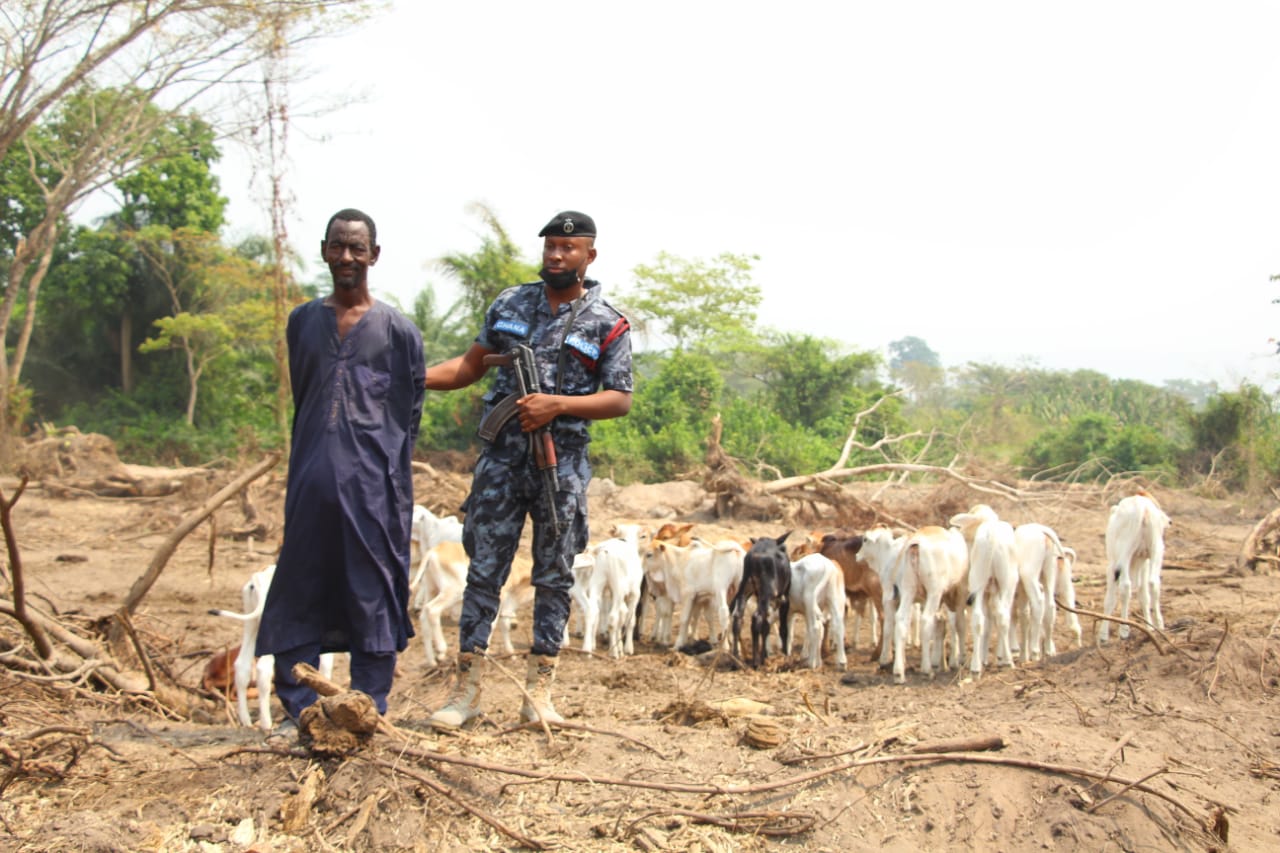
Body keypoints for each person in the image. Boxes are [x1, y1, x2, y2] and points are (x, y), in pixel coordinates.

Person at [425, 210, 632, 729]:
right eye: (550, 248)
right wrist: (409, 376)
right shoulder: (510, 303)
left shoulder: (608, 323)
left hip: (560, 467)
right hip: (500, 461)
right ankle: (465, 693)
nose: (556, 256)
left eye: (568, 248)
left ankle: (539, 694)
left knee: (555, 574)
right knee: (483, 571)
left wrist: (556, 405)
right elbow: (469, 368)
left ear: (589, 255)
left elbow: (619, 399)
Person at [257, 208, 425, 729]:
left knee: (372, 586)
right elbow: (306, 393)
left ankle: (367, 708)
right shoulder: (302, 322)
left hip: (374, 489)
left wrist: (383, 475)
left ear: (374, 255)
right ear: (325, 250)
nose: (347, 257)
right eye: (338, 246)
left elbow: (407, 412)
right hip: (309, 482)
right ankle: (300, 711)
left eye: (358, 248)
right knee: (300, 583)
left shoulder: (398, 330)